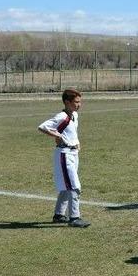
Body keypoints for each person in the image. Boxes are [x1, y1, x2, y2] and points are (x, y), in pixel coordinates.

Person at [37, 88, 90, 227]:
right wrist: (57, 136)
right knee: (74, 187)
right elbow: (42, 127)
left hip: (73, 154)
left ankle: (59, 215)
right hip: (64, 155)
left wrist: (76, 142)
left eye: (80, 102)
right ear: (67, 102)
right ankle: (74, 218)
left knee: (66, 187)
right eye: (76, 102)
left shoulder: (74, 116)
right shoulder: (62, 116)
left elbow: (70, 132)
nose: (79, 105)